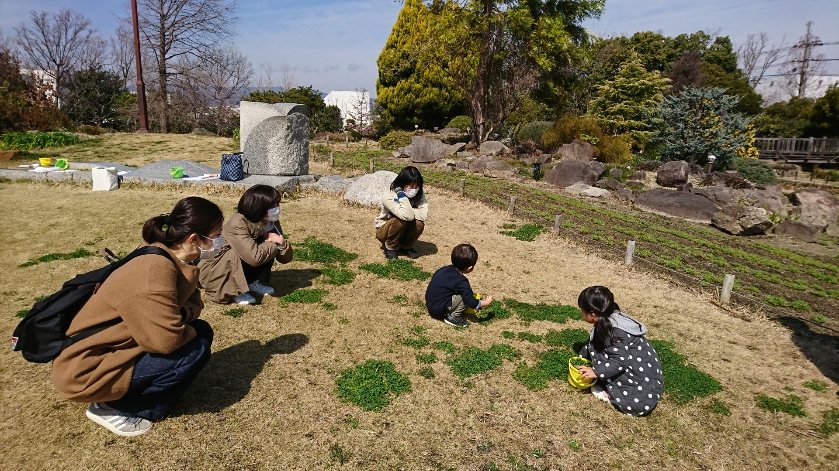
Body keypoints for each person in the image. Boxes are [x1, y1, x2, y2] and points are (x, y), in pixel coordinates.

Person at [52, 196, 225, 437]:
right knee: (196, 348)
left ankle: (145, 402)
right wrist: (183, 325)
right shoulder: (155, 270)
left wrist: (179, 320)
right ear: (194, 238)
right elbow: (166, 342)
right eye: (217, 235)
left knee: (201, 334)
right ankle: (112, 407)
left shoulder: (171, 256)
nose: (221, 241)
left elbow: (193, 305)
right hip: (87, 369)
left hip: (115, 347)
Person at [576, 286, 663, 416]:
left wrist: (595, 371)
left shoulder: (613, 331)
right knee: (601, 351)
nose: (581, 312)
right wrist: (582, 357)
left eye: (582, 309)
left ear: (593, 314)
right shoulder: (610, 319)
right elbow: (593, 342)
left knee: (603, 356)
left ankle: (612, 394)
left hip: (639, 394)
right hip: (646, 378)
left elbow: (620, 361)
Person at [199, 185, 293, 305]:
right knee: (242, 251)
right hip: (218, 266)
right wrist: (274, 244)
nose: (277, 209)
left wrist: (282, 243)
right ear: (259, 207)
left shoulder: (271, 221)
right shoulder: (238, 222)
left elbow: (285, 259)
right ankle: (235, 290)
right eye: (272, 206)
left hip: (244, 260)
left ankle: (251, 282)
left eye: (277, 205)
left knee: (266, 246)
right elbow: (254, 257)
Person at [425, 243, 493, 327]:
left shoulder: (443, 269)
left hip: (431, 304)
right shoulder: (462, 282)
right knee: (463, 297)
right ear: (470, 268)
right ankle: (452, 316)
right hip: (439, 311)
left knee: (459, 293)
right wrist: (486, 302)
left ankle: (448, 309)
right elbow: (470, 302)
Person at [375, 166, 428, 259]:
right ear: (402, 183)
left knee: (419, 223)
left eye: (417, 186)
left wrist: (406, 211)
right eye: (411, 186)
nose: (414, 189)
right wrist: (402, 196)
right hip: (384, 231)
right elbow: (407, 216)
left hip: (405, 227)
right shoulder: (389, 196)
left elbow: (423, 215)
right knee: (399, 220)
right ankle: (390, 247)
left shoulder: (420, 193)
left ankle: (406, 246)